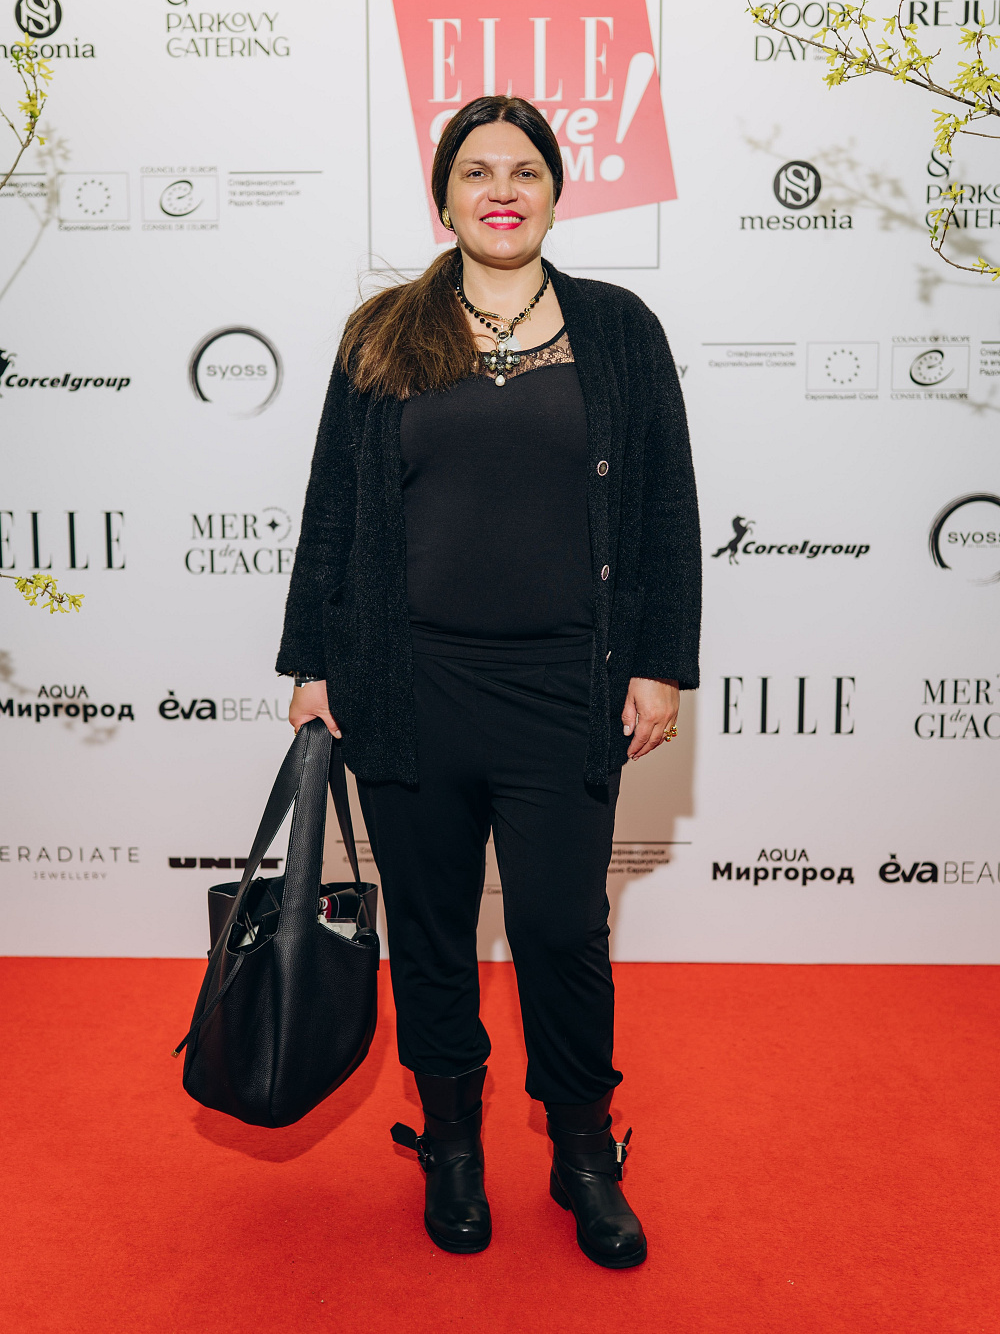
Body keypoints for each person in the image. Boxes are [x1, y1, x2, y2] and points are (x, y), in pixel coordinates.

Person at [277, 94, 700, 1269]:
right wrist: (314, 662)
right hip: (407, 684)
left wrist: (661, 663)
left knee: (563, 930)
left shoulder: (617, 329)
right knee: (429, 929)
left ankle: (582, 1152)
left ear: (556, 194)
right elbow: (332, 509)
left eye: (524, 171)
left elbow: (665, 505)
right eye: (476, 172)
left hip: (566, 686)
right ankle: (453, 1141)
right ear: (445, 197)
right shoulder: (384, 331)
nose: (500, 190)